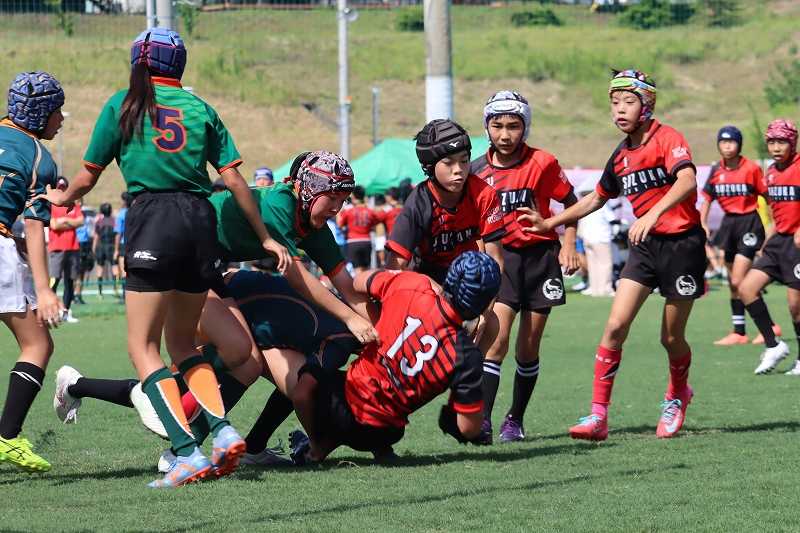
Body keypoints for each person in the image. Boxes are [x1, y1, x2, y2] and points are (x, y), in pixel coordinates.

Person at [41, 28, 290, 488]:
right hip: (200, 222)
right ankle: (223, 430)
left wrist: (61, 198)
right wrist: (267, 239)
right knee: (183, 345)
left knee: (143, 347)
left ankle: (186, 452)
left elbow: (87, 177)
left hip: (154, 217)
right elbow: (236, 181)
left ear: (139, 62)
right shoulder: (200, 108)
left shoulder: (124, 104)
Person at [519, 69, 705, 440]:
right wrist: (550, 222)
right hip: (645, 248)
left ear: (647, 105)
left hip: (682, 246)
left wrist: (653, 213)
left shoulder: (667, 138)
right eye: (615, 102)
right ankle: (598, 416)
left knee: (670, 339)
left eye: (628, 101)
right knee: (615, 327)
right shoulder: (620, 156)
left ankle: (677, 394)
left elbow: (687, 180)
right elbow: (595, 198)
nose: (619, 109)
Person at [53, 268, 361, 469]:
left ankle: (251, 447)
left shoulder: (342, 326)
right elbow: (308, 390)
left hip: (250, 314)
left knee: (289, 378)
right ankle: (76, 384)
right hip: (224, 301)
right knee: (171, 392)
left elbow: (303, 384)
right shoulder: (343, 337)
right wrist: (319, 445)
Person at [289, 251, 501, 463]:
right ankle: (375, 449)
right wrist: (453, 420)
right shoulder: (466, 355)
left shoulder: (414, 285)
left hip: (342, 404)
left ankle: (315, 447)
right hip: (386, 431)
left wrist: (418, 282)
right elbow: (469, 428)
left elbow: (359, 281)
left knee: (306, 381)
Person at [469, 90, 579, 443]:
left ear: (525, 127)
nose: (505, 134)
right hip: (501, 261)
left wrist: (568, 244)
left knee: (528, 348)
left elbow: (571, 202)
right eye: (497, 125)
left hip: (540, 260)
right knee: (496, 342)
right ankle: (483, 421)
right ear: (487, 126)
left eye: (513, 126)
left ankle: (514, 420)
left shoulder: (543, 163)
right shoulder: (475, 170)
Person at [0, 71, 66, 472]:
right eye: (57, 112)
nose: (60, 120)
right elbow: (36, 225)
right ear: (41, 113)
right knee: (38, 345)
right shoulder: (39, 156)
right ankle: (7, 437)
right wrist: (44, 289)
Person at [385, 119, 505, 283]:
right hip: (427, 279)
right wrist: (424, 286)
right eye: (448, 162)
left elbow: (495, 258)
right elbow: (393, 268)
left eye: (464, 160)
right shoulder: (418, 204)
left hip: (469, 276)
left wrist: (488, 294)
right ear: (429, 166)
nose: (458, 170)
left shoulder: (484, 194)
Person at [700, 126, 777, 346]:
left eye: (731, 142)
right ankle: (739, 332)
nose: (727, 146)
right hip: (729, 225)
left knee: (738, 279)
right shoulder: (716, 170)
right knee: (733, 284)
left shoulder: (751, 169)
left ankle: (770, 327)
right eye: (723, 142)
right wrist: (703, 223)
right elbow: (706, 199)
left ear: (739, 145)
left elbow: (769, 198)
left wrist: (774, 224)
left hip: (749, 223)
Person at [739, 119, 800, 375]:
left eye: (781, 142)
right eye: (772, 142)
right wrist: (767, 240)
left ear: (793, 142)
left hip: (797, 244)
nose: (776, 147)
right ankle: (773, 345)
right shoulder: (771, 172)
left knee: (795, 307)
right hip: (778, 242)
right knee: (746, 289)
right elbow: (777, 213)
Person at [48, 195, 83, 323]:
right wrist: (71, 223)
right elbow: (54, 225)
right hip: (56, 249)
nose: (62, 191)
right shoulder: (51, 206)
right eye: (60, 188)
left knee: (70, 282)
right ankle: (51, 313)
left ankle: (66, 313)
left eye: (64, 188)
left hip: (73, 248)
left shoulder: (74, 205)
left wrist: (63, 220)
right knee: (54, 282)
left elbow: (80, 221)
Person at [337, 186, 382, 273]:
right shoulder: (370, 211)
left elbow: (339, 225)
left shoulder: (348, 211)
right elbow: (376, 221)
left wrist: (340, 212)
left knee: (357, 271)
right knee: (366, 271)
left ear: (353, 197)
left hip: (353, 242)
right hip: (366, 242)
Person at [92, 202, 117, 299]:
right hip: (111, 246)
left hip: (101, 246)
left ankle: (100, 292)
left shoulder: (99, 221)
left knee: (100, 269)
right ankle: (115, 289)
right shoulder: (114, 221)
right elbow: (117, 234)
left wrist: (93, 248)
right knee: (114, 268)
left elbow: (96, 236)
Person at [74, 203, 94, 305]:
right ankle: (75, 295)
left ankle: (78, 295)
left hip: (85, 246)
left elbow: (90, 234)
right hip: (78, 246)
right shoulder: (75, 221)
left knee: (81, 273)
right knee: (76, 273)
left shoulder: (87, 221)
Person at [114, 192, 130, 299]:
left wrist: (116, 250)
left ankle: (125, 296)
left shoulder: (121, 214)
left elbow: (118, 233)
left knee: (124, 271)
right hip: (135, 243)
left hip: (124, 244)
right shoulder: (136, 211)